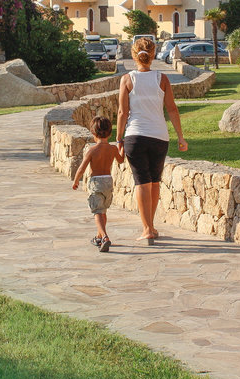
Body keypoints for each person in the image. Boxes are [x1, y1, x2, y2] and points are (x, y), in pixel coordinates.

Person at [116, 36, 187, 245]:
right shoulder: (162, 78)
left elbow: (122, 112)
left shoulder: (127, 79)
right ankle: (151, 226)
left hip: (135, 137)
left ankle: (147, 229)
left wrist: (118, 139)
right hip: (159, 137)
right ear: (153, 54)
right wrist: (180, 137)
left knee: (142, 182)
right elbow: (172, 109)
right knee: (154, 182)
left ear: (133, 55)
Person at [72, 116, 123, 252]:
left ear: (93, 133)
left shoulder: (92, 150)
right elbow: (121, 160)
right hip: (108, 182)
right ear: (110, 133)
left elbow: (81, 168)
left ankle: (105, 237)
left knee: (97, 212)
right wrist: (121, 148)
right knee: (103, 211)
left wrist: (76, 181)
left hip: (96, 183)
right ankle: (99, 236)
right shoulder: (113, 149)